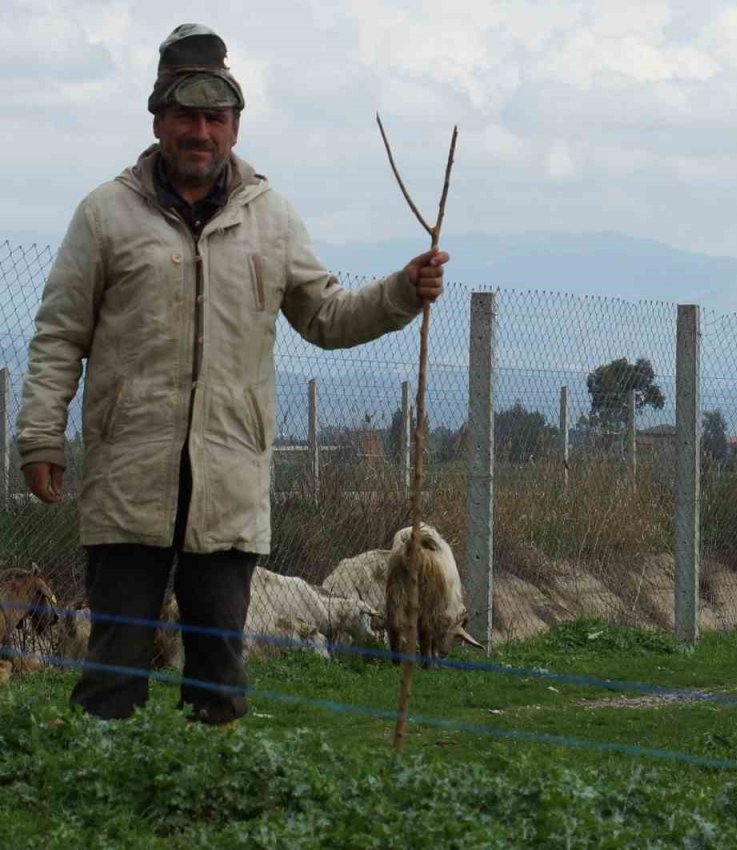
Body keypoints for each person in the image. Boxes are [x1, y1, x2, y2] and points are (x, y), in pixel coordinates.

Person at [16, 24, 449, 725]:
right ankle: (101, 782)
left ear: (235, 126)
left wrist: (401, 290)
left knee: (219, 671)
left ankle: (212, 782)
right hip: (128, 477)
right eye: (185, 116)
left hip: (228, 482)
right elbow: (60, 336)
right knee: (114, 668)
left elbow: (327, 316)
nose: (200, 132)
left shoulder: (270, 218)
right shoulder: (104, 216)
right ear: (158, 120)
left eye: (215, 118)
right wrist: (41, 437)